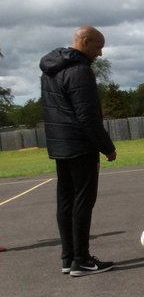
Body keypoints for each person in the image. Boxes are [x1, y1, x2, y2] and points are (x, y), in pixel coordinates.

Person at [39, 26, 117, 277]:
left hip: (59, 144)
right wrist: (107, 147)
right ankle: (81, 260)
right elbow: (88, 116)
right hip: (80, 145)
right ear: (83, 41)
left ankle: (68, 258)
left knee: (66, 201)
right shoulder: (80, 71)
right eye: (97, 47)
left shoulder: (51, 69)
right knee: (83, 202)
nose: (101, 53)